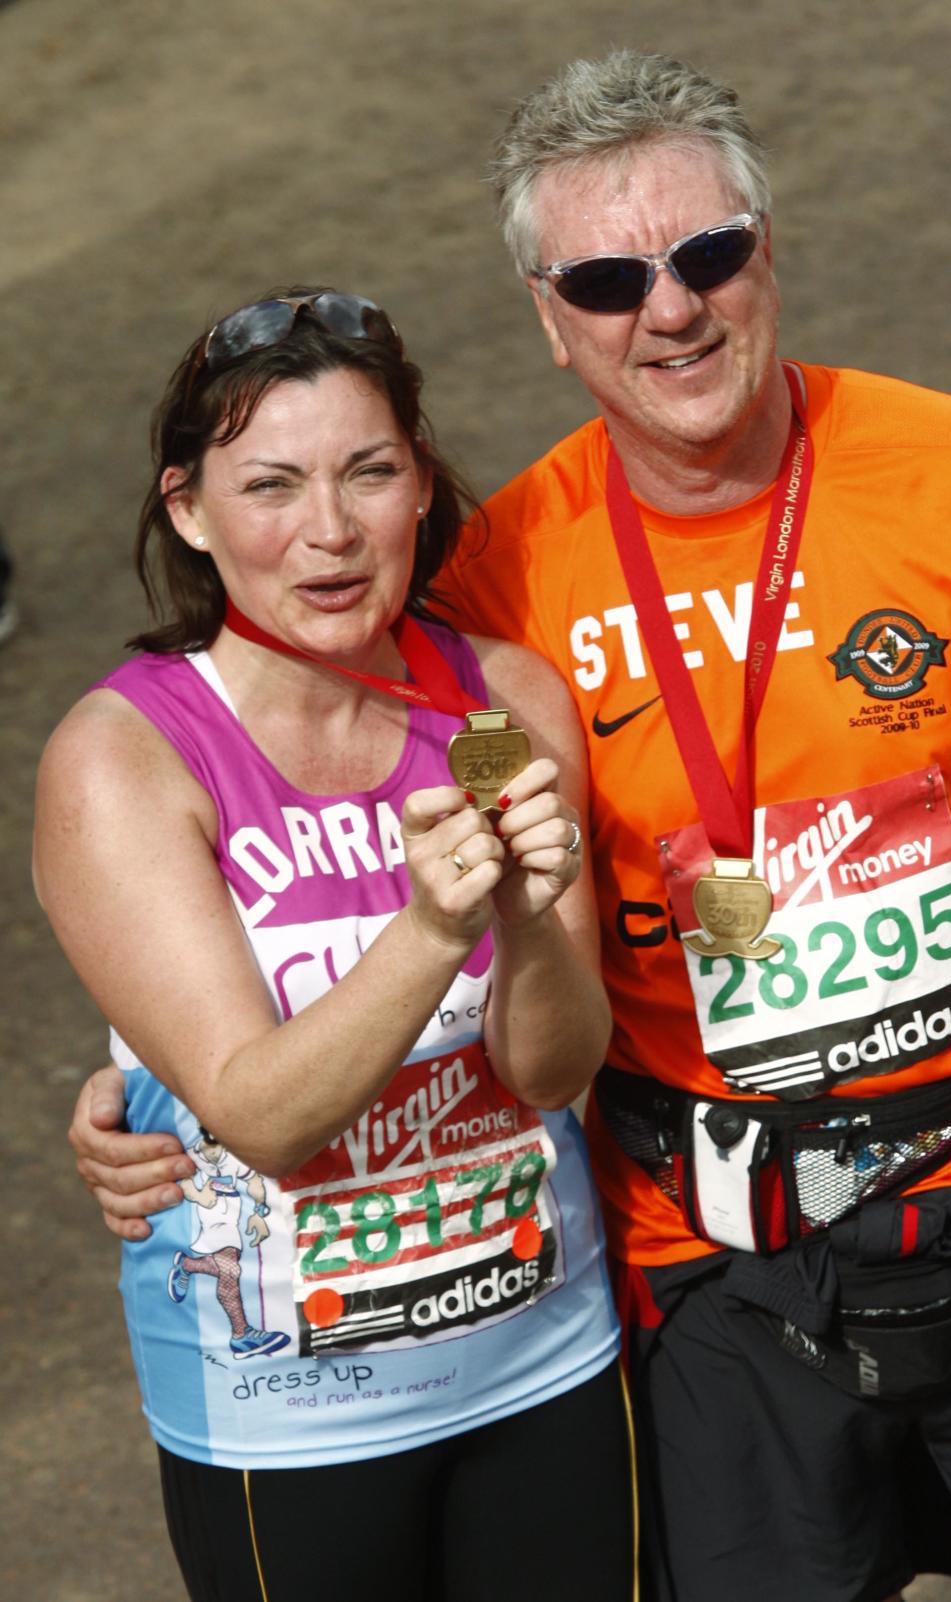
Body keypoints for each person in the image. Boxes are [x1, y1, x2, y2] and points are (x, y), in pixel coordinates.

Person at [70, 52, 951, 1602]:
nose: (669, 309)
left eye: (706, 256)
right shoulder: (494, 593)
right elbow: (343, 815)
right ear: (554, 323)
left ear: (767, 254)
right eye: (612, 277)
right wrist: (152, 1076)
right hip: (711, 1278)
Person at [37, 288, 635, 1602]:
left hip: (543, 1366)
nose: (329, 530)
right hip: (284, 1420)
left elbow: (551, 1073)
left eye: (370, 472)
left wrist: (529, 915)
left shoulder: (505, 697)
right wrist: (433, 928)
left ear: (422, 483)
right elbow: (262, 1114)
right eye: (272, 485)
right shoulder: (125, 758)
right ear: (187, 507)